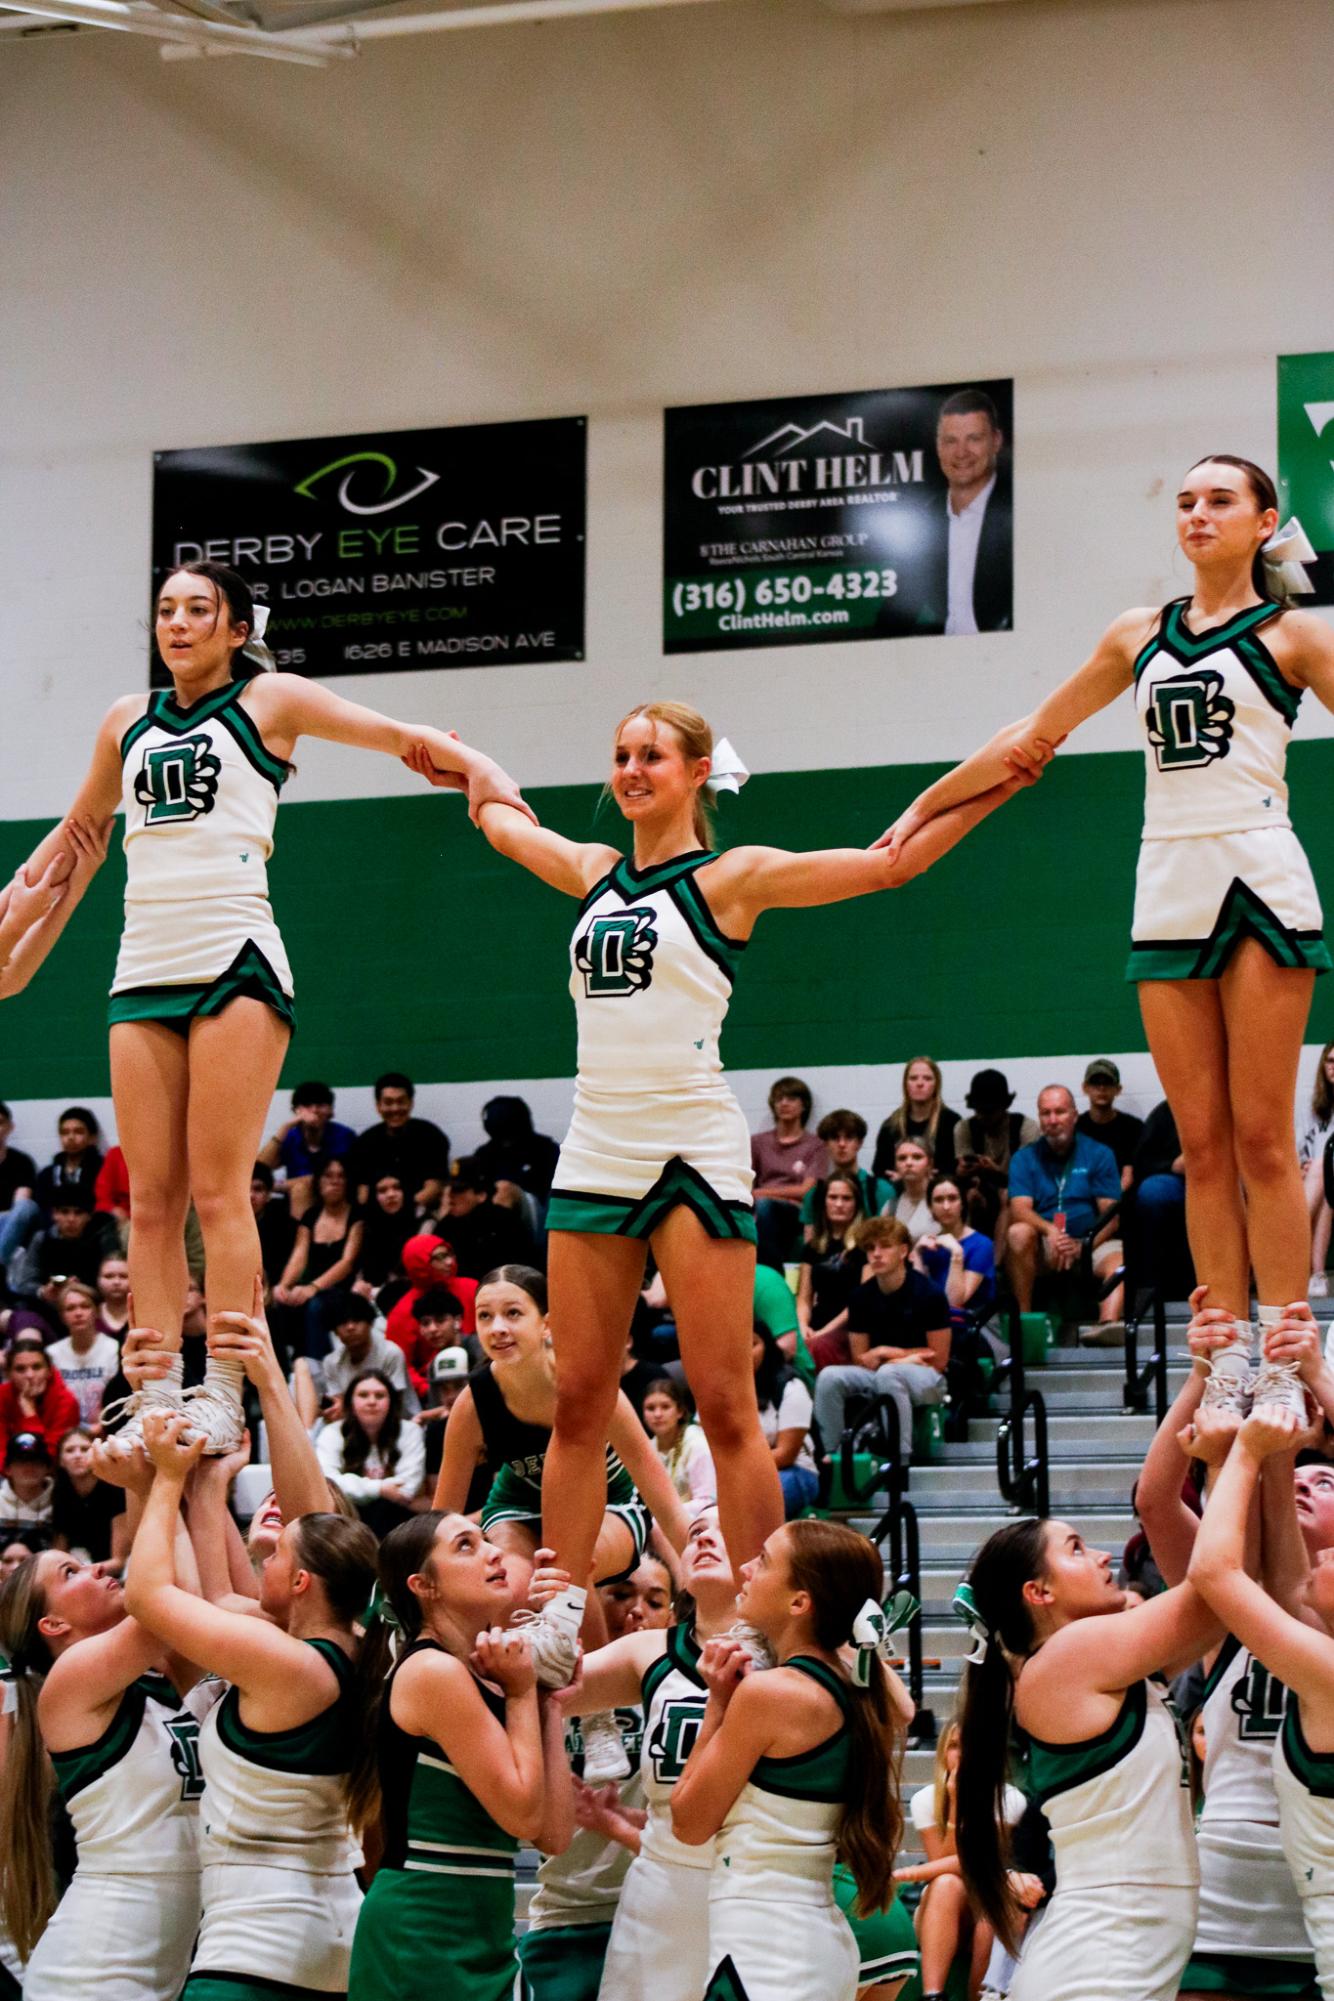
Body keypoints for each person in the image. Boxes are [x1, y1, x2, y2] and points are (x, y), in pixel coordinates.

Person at [406, 701, 1021, 1655]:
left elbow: (891, 861)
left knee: (728, 1402)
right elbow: (504, 823)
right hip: (599, 1142)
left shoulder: (733, 877)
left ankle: (757, 1609)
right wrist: (463, 762)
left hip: (692, 1143)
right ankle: (562, 1611)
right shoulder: (595, 871)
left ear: (698, 771)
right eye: (619, 754)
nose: (631, 768)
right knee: (578, 1400)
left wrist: (996, 783)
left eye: (651, 753)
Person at [4, 560, 526, 1455]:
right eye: (166, 610)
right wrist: (18, 903)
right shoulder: (124, 722)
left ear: (237, 628)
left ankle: (223, 1389)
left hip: (234, 954)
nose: (177, 624)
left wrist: (479, 767)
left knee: (218, 1192)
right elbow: (82, 835)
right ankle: (156, 1385)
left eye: (198, 610)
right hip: (143, 962)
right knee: (153, 1202)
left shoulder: (271, 700)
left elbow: (396, 735)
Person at [883, 455, 1334, 1413]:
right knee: (1201, 1148)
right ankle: (1222, 1360)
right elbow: (1032, 735)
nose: (1198, 513)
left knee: (1261, 1138)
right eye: (1184, 501)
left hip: (1261, 873)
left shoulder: (1296, 636)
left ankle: (1289, 1350)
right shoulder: (1139, 633)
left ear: (1264, 522)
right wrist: (924, 801)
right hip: (1167, 881)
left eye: (1220, 500)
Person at [125, 1410, 377, 2000]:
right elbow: (216, 1598)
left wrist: (163, 1481)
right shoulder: (356, 1652)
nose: (262, 1558)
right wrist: (208, 1485)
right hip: (331, 1940)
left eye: (276, 1554)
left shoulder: (287, 1663)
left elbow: (148, 1594)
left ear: (302, 1582)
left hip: (258, 1951)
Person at [1135, 1295, 1327, 1999]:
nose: (1306, 1483)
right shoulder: (1229, 1588)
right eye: (1299, 1476)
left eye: (1326, 1479)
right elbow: (1155, 1500)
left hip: (1320, 1887)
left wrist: (1317, 1376)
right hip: (1222, 1886)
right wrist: (1201, 1374)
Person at [433, 1266, 688, 1783]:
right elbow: (443, 1515)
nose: (498, 1328)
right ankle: (510, 1703)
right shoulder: (473, 1403)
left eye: (512, 1314)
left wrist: (701, 1570)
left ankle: (598, 1717)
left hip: (613, 1507)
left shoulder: (590, 1383)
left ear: (547, 1322)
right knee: (509, 1580)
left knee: (570, 1564)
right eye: (485, 1316)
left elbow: (655, 1482)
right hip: (520, 1511)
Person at [953, 1514, 1218, 2001]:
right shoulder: (1070, 1655)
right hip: (1097, 1959)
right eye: (1075, 1548)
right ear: (1039, 1593)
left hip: (1114, 1948)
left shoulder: (1109, 1666)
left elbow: (1227, 1598)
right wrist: (1234, 1458)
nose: (1102, 1557)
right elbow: (1217, 1589)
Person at [671, 1518, 906, 2001]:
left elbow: (689, 1821)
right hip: (808, 1936)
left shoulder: (771, 1693)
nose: (745, 1568)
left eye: (763, 1560)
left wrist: (718, 1700)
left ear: (800, 1602)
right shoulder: (851, 1685)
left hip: (766, 1943)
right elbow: (904, 1707)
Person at [345, 1512, 573, 2001]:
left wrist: (545, 1697)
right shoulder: (432, 1671)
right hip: (423, 1929)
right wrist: (520, 1694)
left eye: (490, 1540)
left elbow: (553, 1834)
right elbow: (521, 1813)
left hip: (481, 1930)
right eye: (466, 1546)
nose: (493, 1552)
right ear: (423, 1585)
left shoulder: (491, 1676)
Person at [0, 1539, 218, 2001]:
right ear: (53, 1624)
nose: (97, 1569)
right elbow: (167, 1601)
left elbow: (190, 1602)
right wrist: (166, 1480)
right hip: (92, 1977)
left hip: (156, 1973)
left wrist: (160, 1484)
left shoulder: (155, 1682)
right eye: (70, 1573)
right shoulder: (73, 1678)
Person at [556, 1509, 741, 2001]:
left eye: (724, 1531)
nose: (704, 1538)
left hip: (750, 1890)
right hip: (661, 1890)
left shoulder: (786, 1651)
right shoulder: (649, 1651)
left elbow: (895, 1707)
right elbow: (547, 1688)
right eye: (697, 1531)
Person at [1187, 1398, 1334, 2001]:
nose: (1317, 1564)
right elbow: (1282, 1583)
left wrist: (1244, 1452)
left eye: (1323, 1480)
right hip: (1243, 1886)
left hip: (1297, 1902)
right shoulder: (1305, 1632)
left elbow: (1221, 1574)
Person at [518, 1565, 667, 2001]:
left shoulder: (685, 1687)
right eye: (620, 1594)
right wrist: (567, 1579)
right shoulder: (549, 1686)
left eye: (655, 1601)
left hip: (655, 1913)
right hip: (566, 1917)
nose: (637, 1611)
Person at [895, 1718, 1029, 2001]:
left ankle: (977, 1997)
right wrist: (955, 1805)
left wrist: (906, 1874)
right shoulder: (926, 1799)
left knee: (989, 1915)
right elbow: (945, 1868)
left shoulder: (1009, 1799)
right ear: (944, 1752)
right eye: (954, 1746)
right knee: (945, 1883)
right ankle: (933, 1995)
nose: (963, 1754)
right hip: (946, 1908)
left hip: (990, 1900)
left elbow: (981, 1864)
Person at [811, 1216, 951, 1464]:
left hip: (929, 1378)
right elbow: (861, 1358)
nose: (876, 1254)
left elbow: (938, 1359)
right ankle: (834, 1457)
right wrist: (905, 1357)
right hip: (883, 1372)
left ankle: (900, 1460)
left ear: (904, 1251)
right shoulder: (860, 1297)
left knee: (889, 1373)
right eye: (871, 1248)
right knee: (829, 1376)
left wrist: (887, 1353)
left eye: (885, 1246)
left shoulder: (929, 1293)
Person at [1005, 1086, 1123, 1327]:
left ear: (1074, 1115)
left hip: (1090, 1241)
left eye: (1060, 1112)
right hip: (1045, 1243)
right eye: (1045, 1113)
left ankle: (1108, 1326)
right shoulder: (1024, 1158)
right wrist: (1051, 1231)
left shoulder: (1098, 1153)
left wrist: (1082, 1246)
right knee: (1017, 1232)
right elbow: (1019, 1209)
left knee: (1119, 1261)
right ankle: (1026, 1324)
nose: (1052, 1120)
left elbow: (1110, 1216)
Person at [273, 1156, 364, 1359]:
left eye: (341, 1176)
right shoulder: (311, 1216)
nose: (335, 1181)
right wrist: (284, 1285)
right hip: (310, 1287)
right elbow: (299, 1255)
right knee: (281, 1303)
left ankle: (318, 1368)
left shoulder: (357, 1215)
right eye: (329, 1176)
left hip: (343, 1289)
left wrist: (313, 1288)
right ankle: (288, 1368)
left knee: (316, 1306)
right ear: (319, 1181)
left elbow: (347, 1262)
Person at [315, 1368, 425, 1536]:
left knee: (384, 1508)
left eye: (380, 1395)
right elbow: (327, 1483)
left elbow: (407, 1488)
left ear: (391, 1401)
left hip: (396, 1522)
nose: (372, 1401)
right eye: (363, 1395)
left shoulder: (410, 1431)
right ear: (351, 1402)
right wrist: (380, 1488)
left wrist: (356, 1488)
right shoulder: (331, 1433)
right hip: (346, 1520)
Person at [298, 1291, 420, 1426]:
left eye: (357, 1320)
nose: (350, 1327)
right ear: (335, 1331)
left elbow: (393, 1404)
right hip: (354, 1427)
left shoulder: (391, 1353)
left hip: (400, 1424)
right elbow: (338, 1404)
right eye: (343, 1322)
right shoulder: (331, 1362)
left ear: (370, 1324)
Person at [750, 1078, 831, 1268]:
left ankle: (770, 1270)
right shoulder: (758, 1142)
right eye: (779, 1099)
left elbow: (806, 1191)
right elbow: (746, 1183)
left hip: (795, 1212)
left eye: (791, 1098)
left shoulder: (815, 1145)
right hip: (760, 1208)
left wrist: (760, 1193)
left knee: (765, 1207)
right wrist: (755, 1195)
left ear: (804, 1105)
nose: (784, 1103)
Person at [349, 1073, 451, 1212]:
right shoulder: (365, 1142)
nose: (395, 1109)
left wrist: (402, 1210)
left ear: (411, 1103)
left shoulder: (431, 1136)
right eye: (388, 1102)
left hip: (419, 1212)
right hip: (378, 1216)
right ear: (378, 1106)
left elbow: (434, 1187)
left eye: (401, 1101)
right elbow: (363, 1192)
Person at [798, 1172, 869, 1364]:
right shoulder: (812, 1247)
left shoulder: (866, 1247)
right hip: (816, 1325)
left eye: (846, 1198)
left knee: (815, 1348)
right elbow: (804, 1298)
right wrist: (803, 1326)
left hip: (850, 1328)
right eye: (833, 1197)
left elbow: (861, 1303)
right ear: (824, 1202)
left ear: (857, 1204)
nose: (839, 1204)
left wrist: (823, 1333)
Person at [913, 1175, 997, 1332]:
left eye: (952, 1199)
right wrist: (917, 1254)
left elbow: (955, 1303)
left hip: (976, 1328)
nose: (946, 1206)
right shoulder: (930, 1245)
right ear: (930, 1207)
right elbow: (919, 1300)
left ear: (962, 1203)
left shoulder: (981, 1244)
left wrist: (957, 1253)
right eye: (938, 1200)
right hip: (937, 1325)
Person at [259, 1080, 355, 1216]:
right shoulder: (291, 1136)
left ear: (330, 1111)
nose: (314, 1110)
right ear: (296, 1110)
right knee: (299, 1191)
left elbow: (322, 1179)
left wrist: (277, 1185)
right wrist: (284, 1127)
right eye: (307, 1105)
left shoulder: (343, 1136)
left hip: (336, 1197)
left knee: (301, 1189)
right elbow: (259, 1170)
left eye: (320, 1105)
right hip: (295, 1202)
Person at [751, 1326, 819, 1518]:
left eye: (753, 1344)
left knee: (754, 1500)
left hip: (796, 1471)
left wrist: (741, 1471)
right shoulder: (726, 1389)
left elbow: (786, 1454)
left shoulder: (791, 1386)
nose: (746, 1352)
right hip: (746, 1473)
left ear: (768, 1347)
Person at [800, 1111, 891, 1241]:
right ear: (825, 1144)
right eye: (835, 1138)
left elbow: (888, 1239)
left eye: (849, 1137)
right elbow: (810, 1243)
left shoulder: (881, 1190)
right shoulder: (814, 1195)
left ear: (859, 1143)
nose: (842, 1144)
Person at [438, 1158, 534, 1278]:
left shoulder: (505, 1223)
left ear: (481, 1195)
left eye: (459, 1190)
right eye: (451, 1189)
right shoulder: (447, 1225)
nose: (451, 1196)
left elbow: (523, 1269)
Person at [46, 1281, 120, 1428]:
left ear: (97, 1311)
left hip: (107, 1427)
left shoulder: (114, 1349)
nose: (78, 1313)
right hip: (64, 1433)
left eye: (85, 1306)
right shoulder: (52, 1353)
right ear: (62, 1316)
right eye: (70, 1308)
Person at [50, 1427, 128, 1566]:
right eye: (69, 1450)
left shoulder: (115, 1489)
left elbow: (119, 1561)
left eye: (84, 1449)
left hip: (120, 1569)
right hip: (83, 1564)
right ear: (61, 1460)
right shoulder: (61, 1493)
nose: (77, 1455)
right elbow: (59, 1554)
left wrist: (80, 1573)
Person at [873, 1059, 961, 1178]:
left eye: (927, 1078)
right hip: (901, 1192)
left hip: (940, 1192)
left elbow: (958, 1168)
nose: (920, 1083)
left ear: (936, 1084)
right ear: (905, 1084)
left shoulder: (951, 1122)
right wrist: (904, 1179)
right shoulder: (891, 1125)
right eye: (913, 1078)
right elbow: (879, 1169)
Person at [642, 1378, 717, 1513]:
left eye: (665, 1407)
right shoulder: (646, 1449)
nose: (657, 1414)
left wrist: (662, 1516)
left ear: (680, 1411)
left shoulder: (697, 1444)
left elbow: (707, 1501)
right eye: (650, 1408)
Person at [471, 1095, 561, 1206]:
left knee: (505, 1190)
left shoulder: (546, 1150)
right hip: (489, 1210)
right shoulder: (484, 1154)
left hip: (535, 1209)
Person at [0, 1341, 78, 1460]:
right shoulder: (2, 1396)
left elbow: (49, 1456)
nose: (30, 1375)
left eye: (36, 1367)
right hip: (9, 1472)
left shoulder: (66, 1402)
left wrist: (29, 1413)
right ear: (9, 1374)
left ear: (49, 1371)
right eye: (20, 1369)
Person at [1299, 1042, 1334, 1298]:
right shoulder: (1312, 1109)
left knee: (1325, 1167)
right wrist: (1300, 1166)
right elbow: (1296, 1149)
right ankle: (1317, 1273)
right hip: (1318, 1181)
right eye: (1330, 1061)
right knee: (1323, 1181)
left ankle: (1280, 1244)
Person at [1076, 1060, 1143, 1192]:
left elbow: (1130, 1176)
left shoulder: (1134, 1129)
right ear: (1085, 1088)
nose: (1102, 1088)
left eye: (1107, 1082)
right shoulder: (1075, 1128)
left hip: (1123, 1199)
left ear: (1118, 1089)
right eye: (1095, 1082)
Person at [33, 1108, 104, 1222]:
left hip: (91, 1229)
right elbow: (42, 1208)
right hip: (55, 1230)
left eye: (78, 1132)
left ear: (92, 1137)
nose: (71, 1137)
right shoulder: (47, 1174)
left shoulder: (103, 1170)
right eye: (65, 1132)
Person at [355, 1171, 416, 1292]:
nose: (391, 1194)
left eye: (397, 1188)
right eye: (382, 1191)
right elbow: (360, 1270)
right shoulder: (365, 1226)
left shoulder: (422, 1223)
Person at [0, 1103, 37, 1275]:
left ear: (9, 1127)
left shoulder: (21, 1161)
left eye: (0, 1122)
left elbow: (21, 1204)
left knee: (26, 1207)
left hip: (10, 1222)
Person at [0, 1432, 56, 1537]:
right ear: (7, 1469)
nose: (29, 1467)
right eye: (21, 1461)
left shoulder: (62, 1503)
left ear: (47, 1467)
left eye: (36, 1461)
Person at [886, 1138, 937, 1243]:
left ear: (930, 1164)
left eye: (917, 1157)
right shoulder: (891, 1206)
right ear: (896, 1165)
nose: (908, 1163)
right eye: (902, 1158)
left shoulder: (944, 1200)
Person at [95, 1254, 131, 1340]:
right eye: (109, 1276)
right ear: (98, 1280)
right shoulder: (89, 1315)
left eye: (123, 1276)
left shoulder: (143, 1316)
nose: (116, 1282)